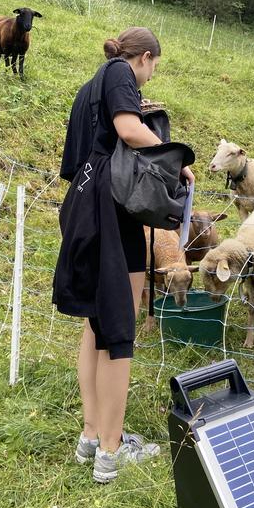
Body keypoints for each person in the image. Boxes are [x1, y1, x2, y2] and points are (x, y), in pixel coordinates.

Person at [53, 27, 194, 483]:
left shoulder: (88, 89)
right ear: (145, 57)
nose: (151, 76)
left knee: (96, 326)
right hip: (109, 215)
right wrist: (175, 159)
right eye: (154, 67)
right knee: (119, 331)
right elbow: (130, 130)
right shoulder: (119, 73)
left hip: (84, 206)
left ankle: (91, 436)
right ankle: (111, 452)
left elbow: (75, 161)